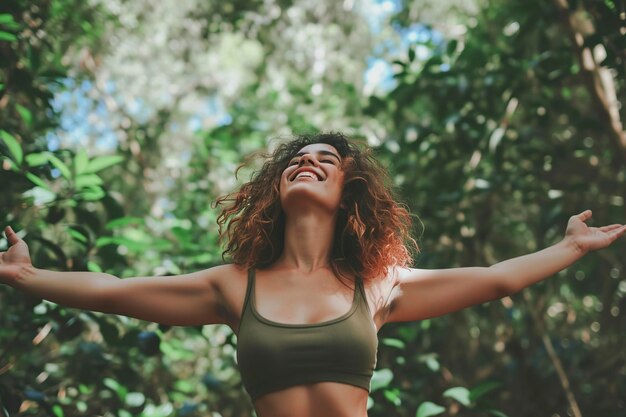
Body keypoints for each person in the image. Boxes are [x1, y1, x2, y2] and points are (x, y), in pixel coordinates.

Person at [1, 132, 625, 417]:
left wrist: (570, 247)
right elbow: (116, 292)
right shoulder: (231, 284)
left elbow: (493, 279)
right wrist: (28, 278)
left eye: (325, 159)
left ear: (348, 189)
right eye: (297, 160)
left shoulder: (379, 283)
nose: (307, 162)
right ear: (276, 188)